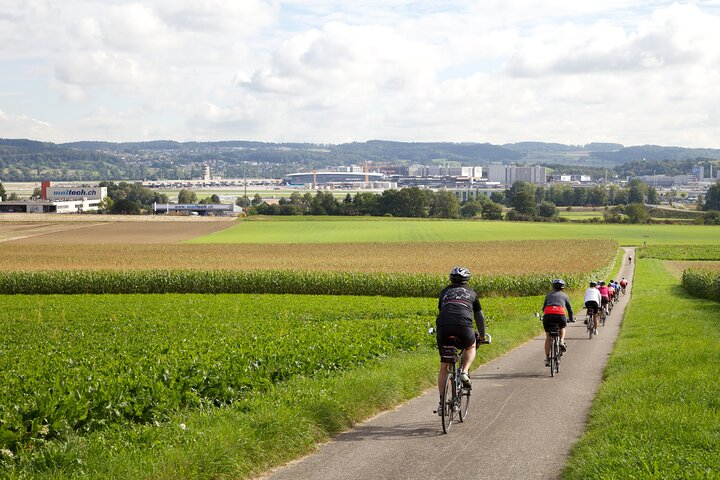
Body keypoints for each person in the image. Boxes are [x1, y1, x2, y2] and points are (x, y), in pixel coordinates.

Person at [434, 267, 487, 414]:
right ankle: (463, 371)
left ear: (450, 279)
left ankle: (442, 403)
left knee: (444, 366)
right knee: (470, 347)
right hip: (463, 326)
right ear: (467, 280)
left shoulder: (444, 292)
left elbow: (443, 310)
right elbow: (479, 318)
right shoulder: (472, 293)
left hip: (444, 326)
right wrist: (482, 336)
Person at [541, 278, 573, 366]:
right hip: (560, 314)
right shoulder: (565, 296)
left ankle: (547, 359)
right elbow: (569, 309)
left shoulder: (548, 295)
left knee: (548, 336)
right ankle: (561, 341)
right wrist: (571, 318)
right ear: (563, 287)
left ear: (553, 287)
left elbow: (544, 308)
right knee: (562, 327)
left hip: (548, 314)